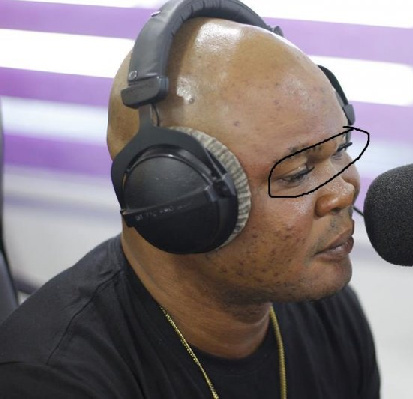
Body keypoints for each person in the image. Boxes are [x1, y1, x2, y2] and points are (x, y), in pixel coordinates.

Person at [0, 6, 380, 398]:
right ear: (174, 194)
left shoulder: (328, 313)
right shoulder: (52, 380)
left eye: (342, 148)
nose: (345, 190)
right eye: (298, 171)